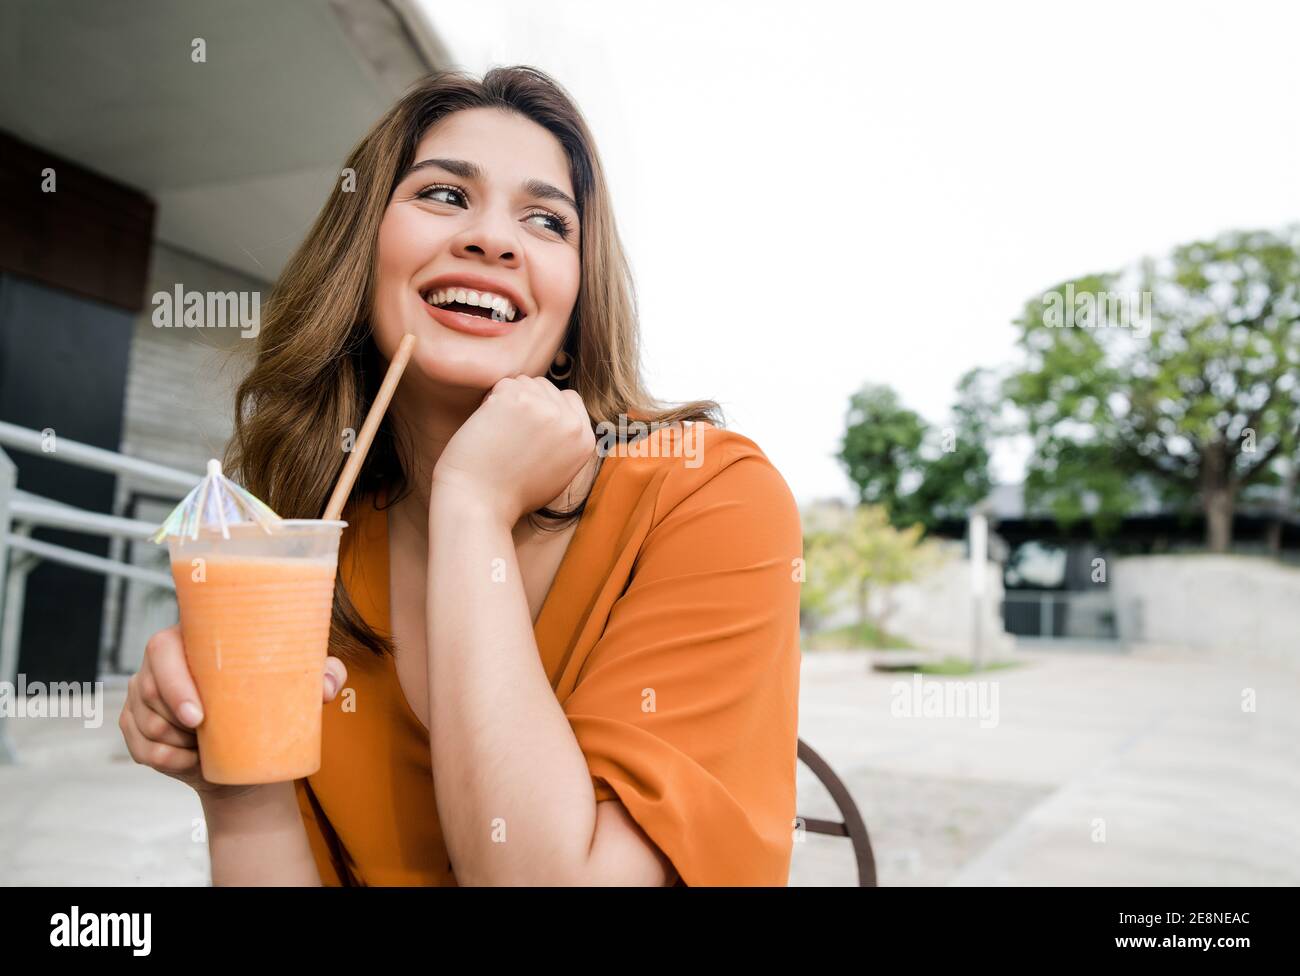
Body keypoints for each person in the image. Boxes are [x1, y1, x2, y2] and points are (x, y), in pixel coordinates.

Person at [119, 66, 802, 886]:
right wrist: (235, 778)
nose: (493, 239)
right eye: (444, 195)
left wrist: (471, 506)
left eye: (547, 220)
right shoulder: (308, 549)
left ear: (577, 303)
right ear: (361, 250)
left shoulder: (709, 496)